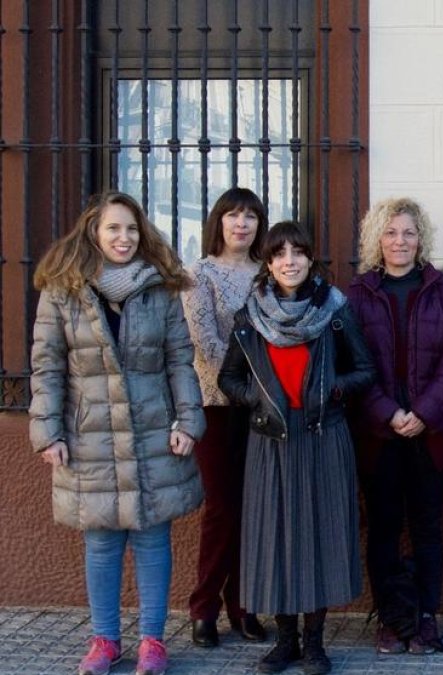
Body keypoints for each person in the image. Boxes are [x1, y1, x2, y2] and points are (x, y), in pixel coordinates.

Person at [29, 191, 205, 675]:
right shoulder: (62, 290)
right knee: (102, 543)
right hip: (89, 437)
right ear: (93, 232)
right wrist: (48, 430)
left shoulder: (161, 288)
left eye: (131, 229)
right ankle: (104, 640)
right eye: (113, 229)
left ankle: (152, 642)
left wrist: (188, 421)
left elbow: (179, 360)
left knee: (152, 540)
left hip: (154, 434)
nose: (123, 238)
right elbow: (46, 366)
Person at [218, 221, 375, 675]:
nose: (290, 261)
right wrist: (256, 401)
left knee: (320, 538)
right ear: (268, 263)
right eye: (280, 253)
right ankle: (284, 641)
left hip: (324, 437)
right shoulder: (250, 316)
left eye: (298, 252)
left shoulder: (335, 310)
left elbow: (365, 370)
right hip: (270, 442)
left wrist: (331, 390)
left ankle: (314, 643)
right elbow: (230, 378)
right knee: (275, 540)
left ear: (310, 259)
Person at [348, 198, 443, 655]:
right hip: (378, 435)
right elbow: (353, 364)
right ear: (376, 239)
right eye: (391, 232)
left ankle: (423, 617)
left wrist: (424, 412)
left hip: (432, 433)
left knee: (426, 528)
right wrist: (388, 413)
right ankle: (390, 618)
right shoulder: (358, 294)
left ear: (422, 239)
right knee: (382, 529)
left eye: (409, 233)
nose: (400, 241)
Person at [183, 187, 269, 648]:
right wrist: (249, 386)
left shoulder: (266, 272)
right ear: (218, 221)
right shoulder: (199, 274)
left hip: (260, 411)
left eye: (251, 216)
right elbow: (207, 343)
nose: (242, 224)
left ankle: (245, 607)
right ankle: (203, 610)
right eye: (233, 215)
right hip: (217, 406)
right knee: (220, 508)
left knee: (254, 509)